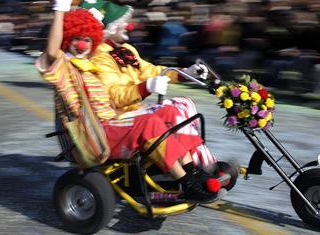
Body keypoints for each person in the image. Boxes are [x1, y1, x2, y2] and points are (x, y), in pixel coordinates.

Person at [36, 0, 220, 204]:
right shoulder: (65, 68)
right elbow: (52, 52)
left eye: (88, 40)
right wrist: (60, 10)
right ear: (67, 38)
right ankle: (186, 182)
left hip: (112, 122)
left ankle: (192, 171)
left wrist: (185, 73)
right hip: (93, 134)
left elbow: (149, 71)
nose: (82, 44)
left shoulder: (91, 66)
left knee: (168, 113)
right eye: (77, 38)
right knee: (148, 122)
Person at [79, 0, 222, 174]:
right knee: (176, 108)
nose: (127, 25)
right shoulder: (99, 58)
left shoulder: (126, 48)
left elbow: (152, 71)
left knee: (182, 104)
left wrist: (186, 73)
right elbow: (114, 96)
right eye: (121, 21)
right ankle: (197, 169)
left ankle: (197, 165)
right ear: (110, 28)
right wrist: (145, 87)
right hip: (116, 118)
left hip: (133, 111)